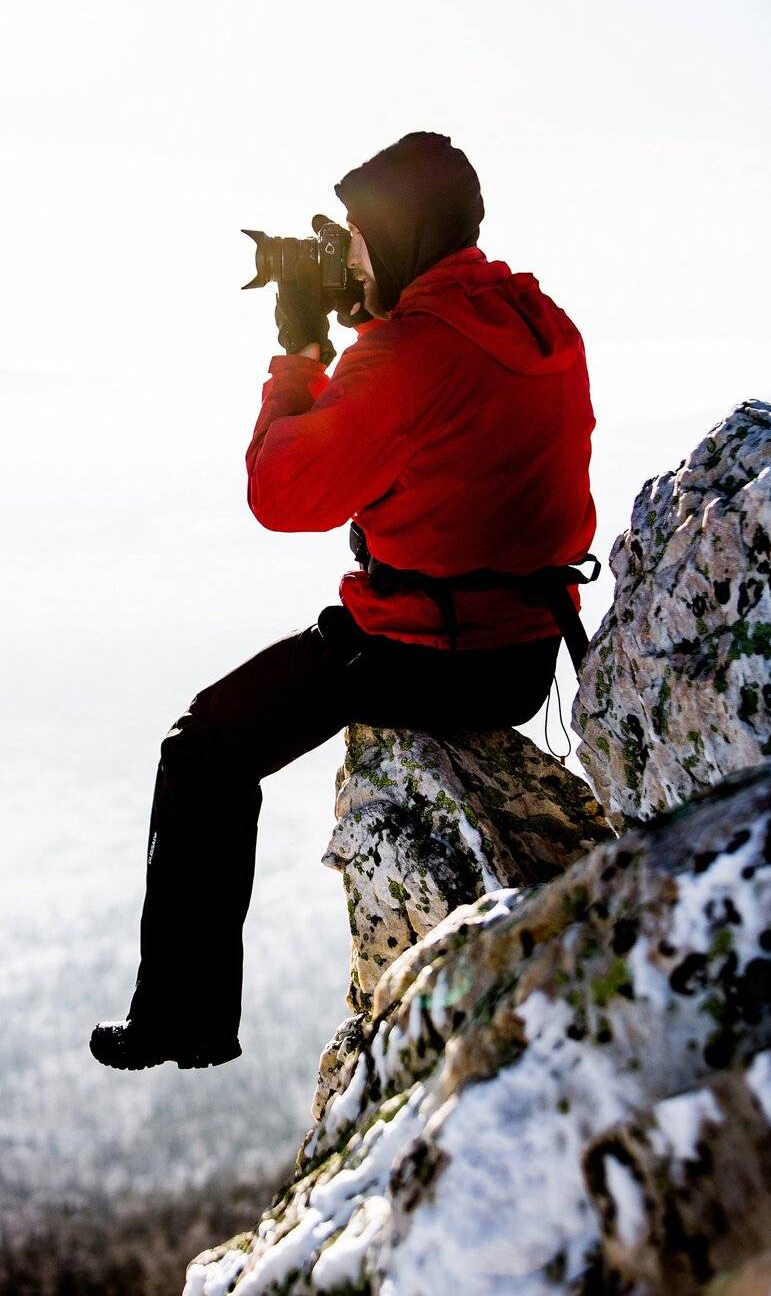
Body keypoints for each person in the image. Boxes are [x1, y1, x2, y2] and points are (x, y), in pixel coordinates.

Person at [90, 131, 597, 1071]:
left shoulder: (406, 354)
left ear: (401, 235)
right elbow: (449, 417)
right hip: (528, 649)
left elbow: (282, 494)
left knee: (203, 749)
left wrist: (300, 352)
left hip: (427, 655)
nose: (350, 256)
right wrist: (372, 313)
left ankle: (181, 1018)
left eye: (358, 239)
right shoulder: (536, 320)